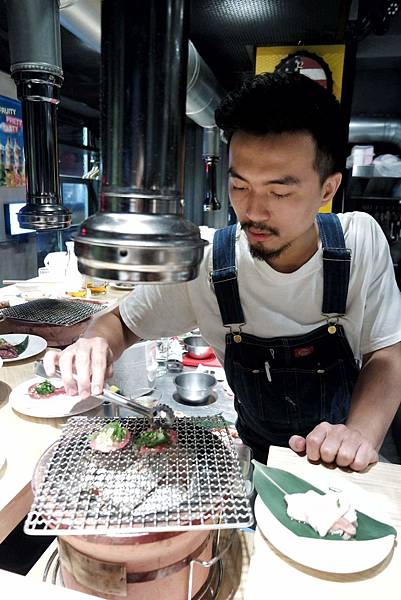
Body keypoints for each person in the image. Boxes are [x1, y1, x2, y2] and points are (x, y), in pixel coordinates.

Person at [45, 72, 401, 471]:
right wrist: (96, 342)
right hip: (258, 452)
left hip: (345, 457)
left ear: (327, 189)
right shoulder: (210, 261)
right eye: (240, 186)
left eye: (279, 192)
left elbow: (387, 352)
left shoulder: (358, 243)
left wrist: (360, 434)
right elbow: (123, 324)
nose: (253, 211)